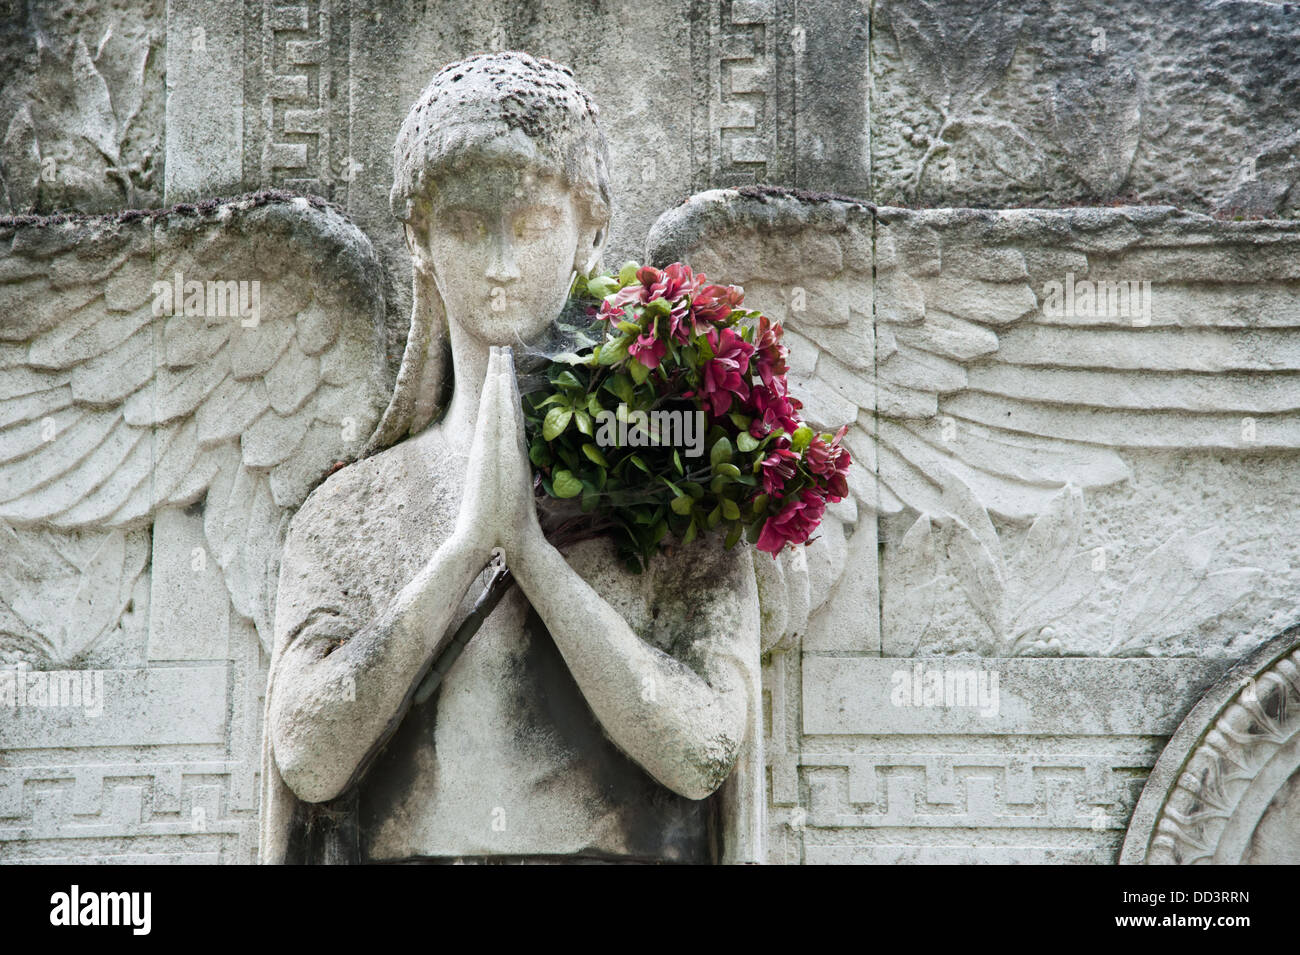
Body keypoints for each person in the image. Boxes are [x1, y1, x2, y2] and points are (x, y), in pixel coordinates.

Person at [259, 51, 763, 864]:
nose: (500, 262)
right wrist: (463, 551)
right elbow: (308, 758)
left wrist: (532, 554)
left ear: (588, 230)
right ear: (419, 240)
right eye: (465, 224)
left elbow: (704, 750)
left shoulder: (673, 492)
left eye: (530, 225)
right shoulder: (350, 511)